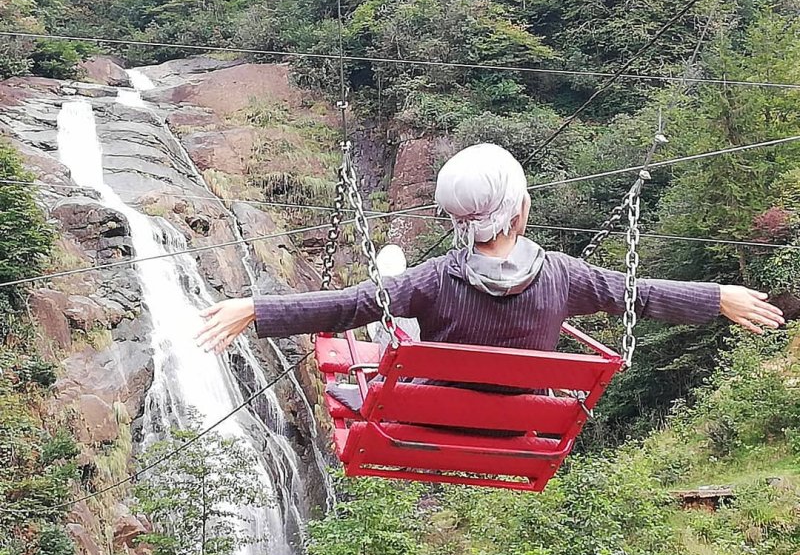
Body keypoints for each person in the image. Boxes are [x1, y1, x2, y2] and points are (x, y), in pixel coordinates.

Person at [196, 144, 784, 356]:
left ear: (454, 220)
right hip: (528, 426)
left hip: (439, 413)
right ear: (522, 210)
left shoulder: (426, 281)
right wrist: (719, 297)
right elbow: (642, 296)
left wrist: (255, 308)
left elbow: (349, 305)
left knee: (374, 339)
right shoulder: (565, 277)